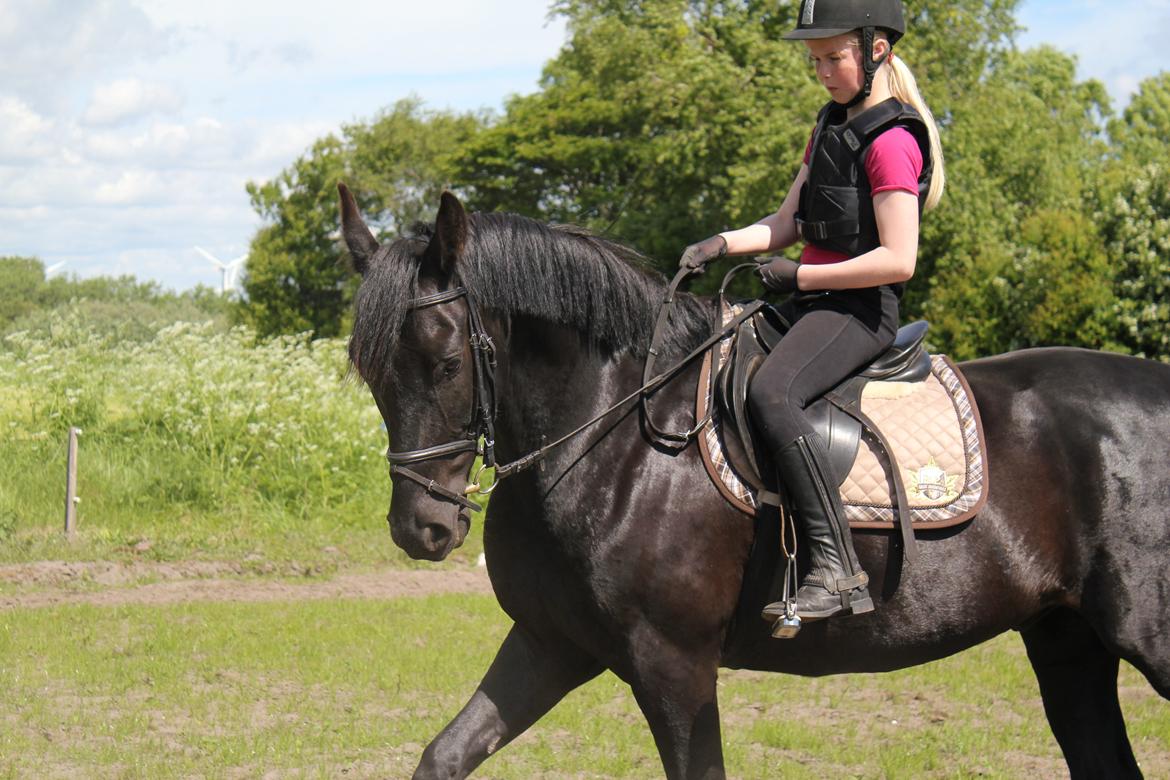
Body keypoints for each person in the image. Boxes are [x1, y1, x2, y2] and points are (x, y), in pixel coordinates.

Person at [678, 0, 945, 630]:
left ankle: (836, 566)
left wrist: (801, 274)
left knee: (775, 392)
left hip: (858, 311)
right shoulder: (829, 125)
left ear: (877, 49)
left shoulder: (892, 141)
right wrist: (719, 244)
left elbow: (898, 259)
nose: (822, 71)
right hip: (812, 300)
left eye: (834, 57)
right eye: (814, 60)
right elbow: (786, 224)